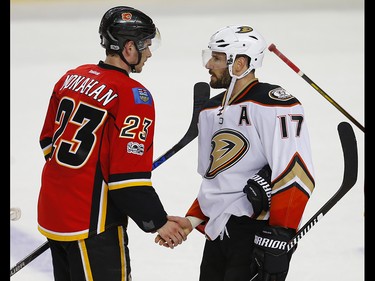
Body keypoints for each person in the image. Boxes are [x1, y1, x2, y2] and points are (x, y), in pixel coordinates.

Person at [37, 6, 187, 281]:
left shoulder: (71, 77)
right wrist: (158, 222)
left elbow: (48, 142)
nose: (150, 53)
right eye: (146, 45)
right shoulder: (133, 95)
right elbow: (126, 180)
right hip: (92, 225)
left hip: (53, 213)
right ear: (129, 47)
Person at [155, 25, 315, 281]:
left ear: (239, 64)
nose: (208, 64)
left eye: (217, 58)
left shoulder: (275, 105)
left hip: (256, 233)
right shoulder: (209, 110)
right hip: (218, 234)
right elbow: (218, 178)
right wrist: (193, 220)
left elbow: (294, 172)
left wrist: (281, 234)